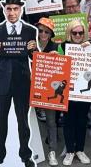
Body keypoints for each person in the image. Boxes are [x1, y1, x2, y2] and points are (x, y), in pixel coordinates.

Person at [0, 0, 38, 167]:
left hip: (22, 81)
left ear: (21, 10)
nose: (12, 12)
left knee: (23, 121)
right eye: (9, 9)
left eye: (15, 9)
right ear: (4, 9)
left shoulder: (30, 31)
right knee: (1, 122)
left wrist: (33, 51)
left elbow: (34, 57)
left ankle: (25, 155)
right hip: (1, 82)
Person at [62, 19, 91, 166]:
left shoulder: (90, 47)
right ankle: (69, 151)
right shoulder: (63, 46)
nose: (78, 35)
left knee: (81, 121)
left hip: (84, 93)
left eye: (81, 32)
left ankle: (80, 149)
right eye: (75, 32)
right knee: (68, 121)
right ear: (69, 33)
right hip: (68, 91)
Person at [35, 17, 61, 165]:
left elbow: (64, 66)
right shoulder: (31, 45)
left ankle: (52, 151)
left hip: (49, 90)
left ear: (51, 34)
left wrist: (58, 58)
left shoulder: (57, 47)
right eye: (40, 31)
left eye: (46, 31)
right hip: (32, 87)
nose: (43, 34)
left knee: (51, 122)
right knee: (27, 119)